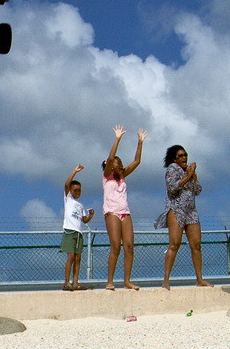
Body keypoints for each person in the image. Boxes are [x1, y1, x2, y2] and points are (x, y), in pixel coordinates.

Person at [155, 144, 212, 290]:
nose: (184, 157)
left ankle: (200, 279)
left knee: (196, 244)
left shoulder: (188, 171)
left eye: (185, 154)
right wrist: (187, 176)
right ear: (174, 159)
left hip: (191, 211)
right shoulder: (172, 169)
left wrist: (193, 175)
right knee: (174, 244)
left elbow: (197, 190)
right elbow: (172, 189)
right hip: (176, 209)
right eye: (180, 155)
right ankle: (166, 280)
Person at [102, 125, 147, 291]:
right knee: (115, 246)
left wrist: (140, 142)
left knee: (129, 247)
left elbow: (137, 161)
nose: (119, 163)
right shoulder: (106, 176)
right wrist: (117, 139)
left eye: (120, 162)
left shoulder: (122, 176)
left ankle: (127, 281)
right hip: (112, 212)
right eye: (116, 162)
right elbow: (110, 157)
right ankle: (110, 281)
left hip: (125, 212)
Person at [60, 164, 95, 291]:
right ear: (71, 191)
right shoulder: (68, 199)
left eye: (79, 190)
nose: (77, 192)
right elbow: (66, 184)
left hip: (79, 232)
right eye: (75, 190)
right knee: (70, 256)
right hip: (70, 231)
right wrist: (75, 171)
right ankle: (66, 282)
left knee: (78, 257)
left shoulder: (80, 206)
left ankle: (75, 282)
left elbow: (84, 220)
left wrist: (90, 216)